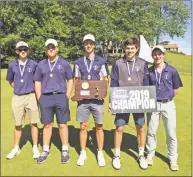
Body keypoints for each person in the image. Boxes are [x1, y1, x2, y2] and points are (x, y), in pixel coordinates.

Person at [110, 37, 149, 170]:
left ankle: (141, 155)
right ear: (124, 49)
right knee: (119, 128)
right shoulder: (117, 63)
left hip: (138, 100)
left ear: (136, 49)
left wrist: (146, 99)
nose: (130, 50)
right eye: (127, 48)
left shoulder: (143, 63)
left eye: (132, 48)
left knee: (140, 127)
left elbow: (146, 83)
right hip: (122, 100)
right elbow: (114, 83)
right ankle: (116, 155)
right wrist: (112, 101)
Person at [34, 39, 73, 164]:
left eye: (53, 47)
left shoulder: (64, 63)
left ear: (57, 49)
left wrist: (67, 95)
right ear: (46, 50)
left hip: (61, 96)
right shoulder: (41, 64)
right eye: (48, 47)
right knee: (47, 125)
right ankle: (45, 150)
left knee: (62, 124)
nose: (50, 49)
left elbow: (70, 80)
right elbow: (37, 81)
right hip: (45, 97)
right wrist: (39, 97)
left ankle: (65, 149)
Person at [73, 34, 109, 167]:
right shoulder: (78, 62)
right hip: (83, 100)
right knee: (83, 126)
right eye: (86, 43)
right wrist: (77, 95)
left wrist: (103, 94)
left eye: (91, 43)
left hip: (97, 99)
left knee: (99, 126)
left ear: (94, 45)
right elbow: (77, 80)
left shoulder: (101, 61)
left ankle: (100, 152)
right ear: (84, 45)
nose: (88, 45)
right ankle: (83, 152)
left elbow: (105, 79)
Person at [146, 45, 183, 171]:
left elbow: (177, 88)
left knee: (171, 133)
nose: (157, 56)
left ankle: (173, 158)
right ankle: (150, 155)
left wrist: (169, 96)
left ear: (163, 55)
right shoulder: (149, 71)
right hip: (153, 104)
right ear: (152, 56)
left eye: (159, 54)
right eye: (155, 54)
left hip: (168, 104)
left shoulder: (172, 70)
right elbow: (146, 89)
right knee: (151, 131)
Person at [6, 41, 40, 160]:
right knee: (18, 124)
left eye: (25, 49)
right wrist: (18, 88)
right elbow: (10, 80)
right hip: (17, 97)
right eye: (20, 49)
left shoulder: (34, 64)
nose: (23, 51)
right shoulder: (12, 65)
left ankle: (35, 147)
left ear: (28, 50)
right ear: (17, 51)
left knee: (33, 123)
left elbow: (37, 81)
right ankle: (16, 147)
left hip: (31, 96)